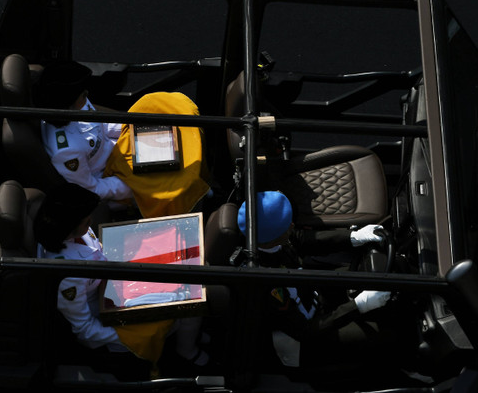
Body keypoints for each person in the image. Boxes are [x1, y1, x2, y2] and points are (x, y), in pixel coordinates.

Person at [33, 182, 209, 378]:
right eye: (85, 222)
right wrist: (130, 336)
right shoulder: (67, 273)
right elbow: (85, 330)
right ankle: (186, 348)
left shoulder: (68, 232)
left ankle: (188, 335)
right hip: (109, 315)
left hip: (115, 283)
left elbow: (97, 249)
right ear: (68, 229)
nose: (90, 222)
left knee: (185, 270)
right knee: (186, 299)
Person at [236, 191, 397, 369]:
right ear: (269, 239)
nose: (292, 225)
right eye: (286, 226)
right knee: (384, 336)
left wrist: (353, 237)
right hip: (306, 338)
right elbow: (305, 331)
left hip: (312, 295)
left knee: (365, 278)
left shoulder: (272, 239)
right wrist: (359, 305)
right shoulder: (264, 285)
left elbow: (303, 240)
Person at [37, 61, 132, 208]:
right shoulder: (66, 150)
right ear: (67, 105)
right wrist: (133, 184)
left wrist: (134, 129)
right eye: (83, 94)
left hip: (119, 152)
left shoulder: (75, 104)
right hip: (111, 178)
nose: (87, 95)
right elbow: (92, 189)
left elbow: (103, 126)